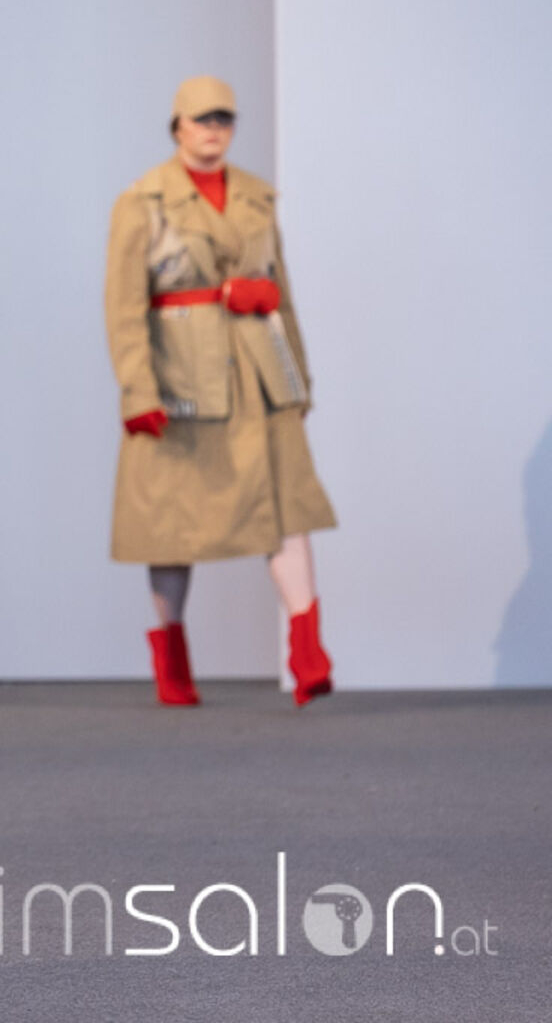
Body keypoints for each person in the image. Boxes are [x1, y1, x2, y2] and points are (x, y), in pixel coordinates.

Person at [104, 76, 337, 708]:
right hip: (183, 383)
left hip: (259, 377)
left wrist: (298, 381)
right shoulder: (143, 202)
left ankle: (307, 650)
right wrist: (138, 392)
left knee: (285, 509)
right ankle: (172, 658)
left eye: (224, 119)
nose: (214, 130)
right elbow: (124, 308)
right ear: (177, 125)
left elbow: (282, 294)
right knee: (169, 525)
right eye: (202, 119)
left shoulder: (256, 197)